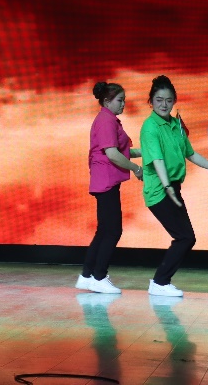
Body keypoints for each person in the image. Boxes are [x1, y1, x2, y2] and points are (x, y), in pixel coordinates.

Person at [140, 75, 208, 297]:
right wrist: (167, 187)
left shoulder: (176, 124)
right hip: (159, 190)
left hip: (173, 188)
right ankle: (160, 282)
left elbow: (190, 153)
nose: (164, 104)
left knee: (187, 238)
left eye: (168, 100)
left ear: (174, 101)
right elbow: (157, 160)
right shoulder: (150, 127)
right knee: (184, 237)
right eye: (159, 100)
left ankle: (161, 282)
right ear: (151, 101)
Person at [76, 80, 143, 294]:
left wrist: (146, 152)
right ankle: (99, 276)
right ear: (107, 101)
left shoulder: (109, 119)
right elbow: (112, 154)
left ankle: (87, 275)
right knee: (113, 230)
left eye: (124, 100)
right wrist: (136, 169)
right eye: (120, 100)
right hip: (105, 180)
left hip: (105, 180)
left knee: (105, 230)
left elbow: (122, 151)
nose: (123, 104)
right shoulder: (106, 120)